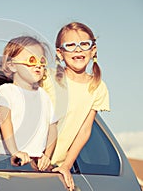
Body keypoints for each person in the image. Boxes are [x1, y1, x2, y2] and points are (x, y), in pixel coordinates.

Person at [49, 21, 110, 190]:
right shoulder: (48, 78)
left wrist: (66, 165)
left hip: (54, 166)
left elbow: (85, 130)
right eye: (70, 45)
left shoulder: (98, 86)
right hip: (28, 160)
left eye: (84, 44)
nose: (78, 50)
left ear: (93, 50)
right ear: (60, 53)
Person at [0, 36, 58, 171]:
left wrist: (47, 155)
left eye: (41, 60)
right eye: (31, 60)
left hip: (35, 162)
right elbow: (5, 121)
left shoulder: (44, 96)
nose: (38, 65)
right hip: (8, 160)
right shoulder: (7, 90)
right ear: (12, 65)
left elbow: (53, 128)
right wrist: (15, 151)